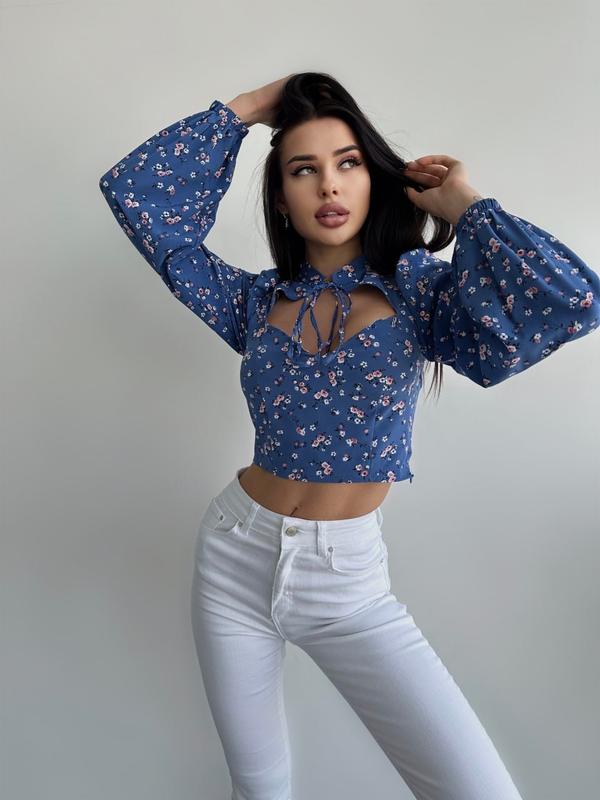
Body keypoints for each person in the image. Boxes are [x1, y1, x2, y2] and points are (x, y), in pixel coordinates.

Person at [98, 72, 600, 800]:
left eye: (348, 163)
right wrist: (249, 109)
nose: (328, 185)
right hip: (233, 554)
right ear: (281, 197)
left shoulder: (423, 294)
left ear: (373, 179)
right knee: (260, 788)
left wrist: (467, 207)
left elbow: (574, 299)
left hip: (346, 583)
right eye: (304, 169)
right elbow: (140, 202)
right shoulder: (255, 301)